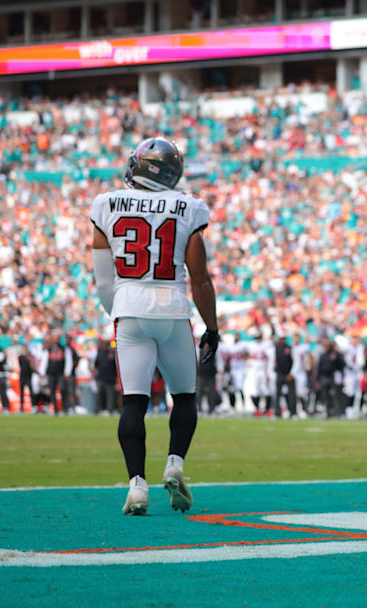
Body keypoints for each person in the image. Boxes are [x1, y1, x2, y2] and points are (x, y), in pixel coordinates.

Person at [89, 136, 218, 516]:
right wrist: (211, 326)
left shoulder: (106, 203)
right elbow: (201, 278)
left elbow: (101, 279)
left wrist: (121, 308)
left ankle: (136, 487)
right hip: (173, 309)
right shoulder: (188, 207)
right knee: (185, 396)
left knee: (133, 402)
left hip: (128, 307)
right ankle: (175, 465)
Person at [315, 339, 346, 418]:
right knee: (326, 396)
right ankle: (328, 413)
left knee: (336, 395)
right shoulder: (323, 355)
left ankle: (338, 412)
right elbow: (319, 368)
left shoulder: (337, 355)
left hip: (334, 377)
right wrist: (318, 380)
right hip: (325, 377)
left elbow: (342, 365)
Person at [93, 338, 119, 415]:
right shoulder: (100, 352)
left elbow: (116, 365)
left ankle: (109, 410)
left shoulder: (112, 353)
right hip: (100, 377)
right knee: (99, 394)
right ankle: (97, 409)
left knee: (110, 395)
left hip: (110, 378)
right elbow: (96, 364)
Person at [273, 336, 297, 419]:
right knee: (277, 394)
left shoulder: (289, 348)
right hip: (279, 374)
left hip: (288, 374)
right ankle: (277, 413)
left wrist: (291, 373)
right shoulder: (275, 348)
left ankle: (293, 413)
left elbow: (295, 360)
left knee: (291, 394)